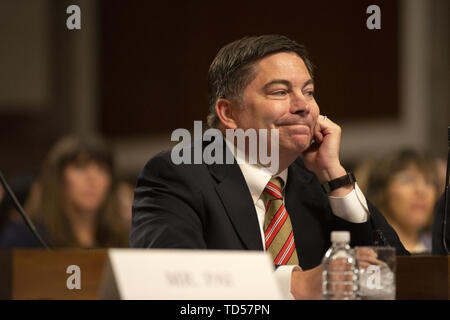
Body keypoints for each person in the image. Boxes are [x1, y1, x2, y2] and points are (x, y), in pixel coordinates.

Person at [131, 35, 407, 299]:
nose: (303, 106)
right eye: (280, 92)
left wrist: (335, 177)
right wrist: (295, 284)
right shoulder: (177, 175)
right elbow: (172, 279)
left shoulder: (317, 184)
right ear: (228, 113)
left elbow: (401, 279)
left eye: (308, 91)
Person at [0, 135, 129, 248]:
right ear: (58, 178)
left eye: (102, 169)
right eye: (80, 167)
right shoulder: (26, 238)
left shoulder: (122, 240)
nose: (92, 178)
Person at [365, 149, 439, 253]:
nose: (421, 190)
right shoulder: (364, 252)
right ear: (381, 191)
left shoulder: (441, 252)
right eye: (408, 179)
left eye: (429, 182)